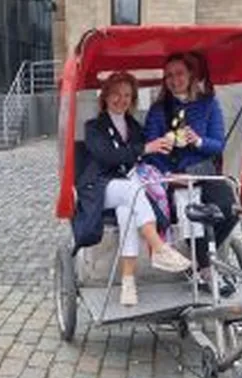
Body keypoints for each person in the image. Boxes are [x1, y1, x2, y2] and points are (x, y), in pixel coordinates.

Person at [74, 71, 192, 306]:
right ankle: (159, 247)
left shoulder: (134, 126)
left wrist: (166, 165)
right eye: (116, 94)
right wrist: (144, 149)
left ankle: (128, 283)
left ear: (133, 99)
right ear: (105, 96)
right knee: (132, 191)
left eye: (127, 95)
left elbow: (142, 161)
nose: (121, 100)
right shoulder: (94, 126)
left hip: (126, 190)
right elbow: (108, 157)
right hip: (98, 187)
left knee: (127, 211)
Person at [143, 52, 236, 295]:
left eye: (179, 74)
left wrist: (198, 141)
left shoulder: (208, 104)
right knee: (191, 214)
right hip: (174, 175)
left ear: (191, 74)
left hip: (203, 172)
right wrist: (168, 173)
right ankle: (206, 269)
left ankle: (202, 261)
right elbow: (150, 153)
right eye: (169, 76)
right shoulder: (157, 111)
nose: (174, 80)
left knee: (230, 206)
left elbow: (218, 144)